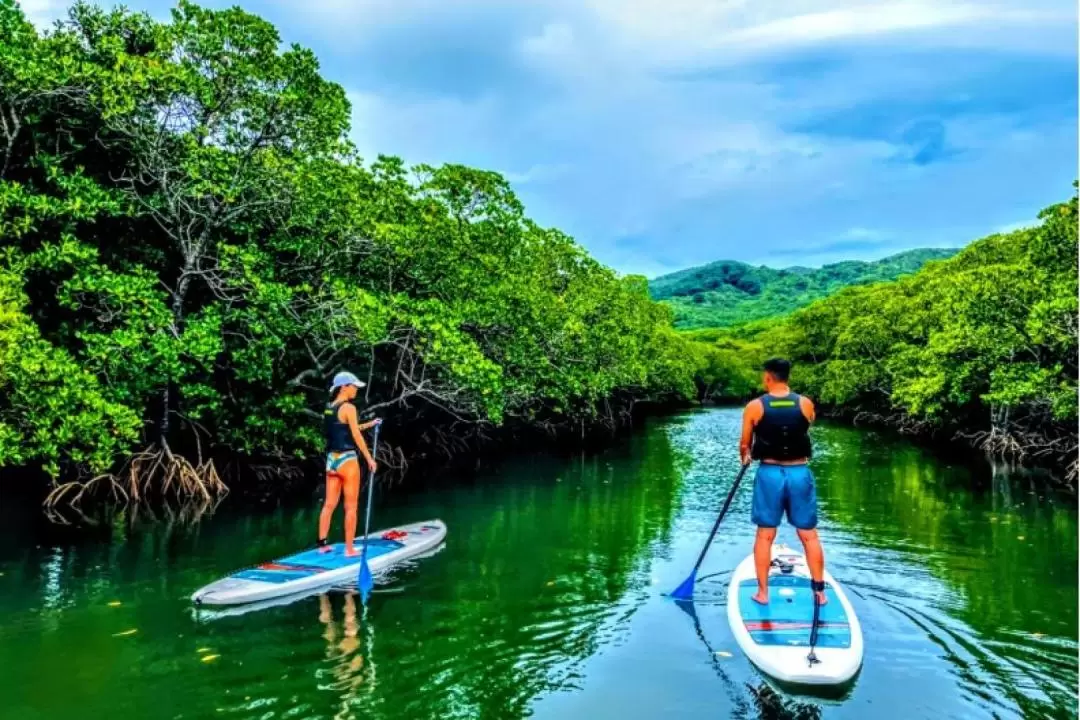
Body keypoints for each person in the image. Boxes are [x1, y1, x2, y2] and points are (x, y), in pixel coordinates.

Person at [739, 357, 827, 606]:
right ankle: (819, 593)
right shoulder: (806, 404)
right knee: (808, 535)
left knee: (765, 535)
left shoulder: (755, 407)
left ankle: (763, 594)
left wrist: (744, 458)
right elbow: (804, 428)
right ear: (788, 376)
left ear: (768, 377)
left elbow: (745, 444)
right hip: (799, 472)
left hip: (770, 474)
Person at [319, 371, 380, 556]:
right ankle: (349, 549)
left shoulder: (329, 408)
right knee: (351, 507)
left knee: (329, 505)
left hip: (331, 461)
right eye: (354, 386)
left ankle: (322, 545)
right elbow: (355, 435)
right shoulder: (349, 408)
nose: (356, 390)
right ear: (344, 387)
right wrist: (369, 459)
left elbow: (343, 428)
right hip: (347, 461)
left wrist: (370, 424)